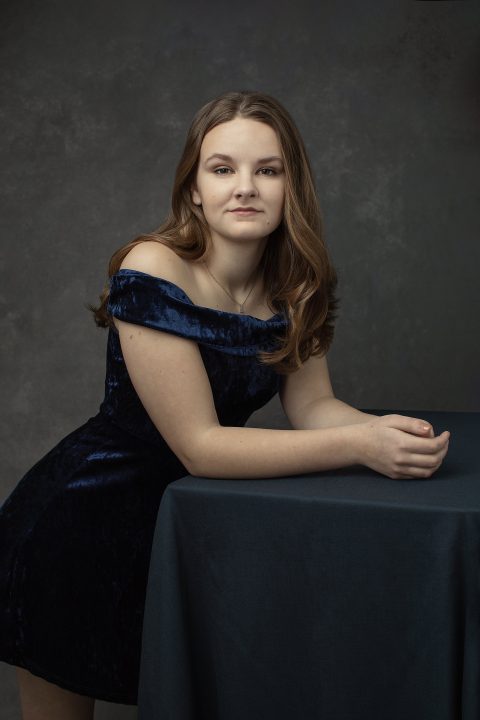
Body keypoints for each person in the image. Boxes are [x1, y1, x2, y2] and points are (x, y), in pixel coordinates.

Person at [0, 89, 450, 719]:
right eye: (222, 169)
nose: (245, 187)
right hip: (79, 523)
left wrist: (384, 430)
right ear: (193, 190)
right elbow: (200, 446)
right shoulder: (152, 268)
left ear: (292, 187)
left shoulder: (296, 286)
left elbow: (314, 406)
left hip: (183, 533)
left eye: (267, 170)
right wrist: (358, 445)